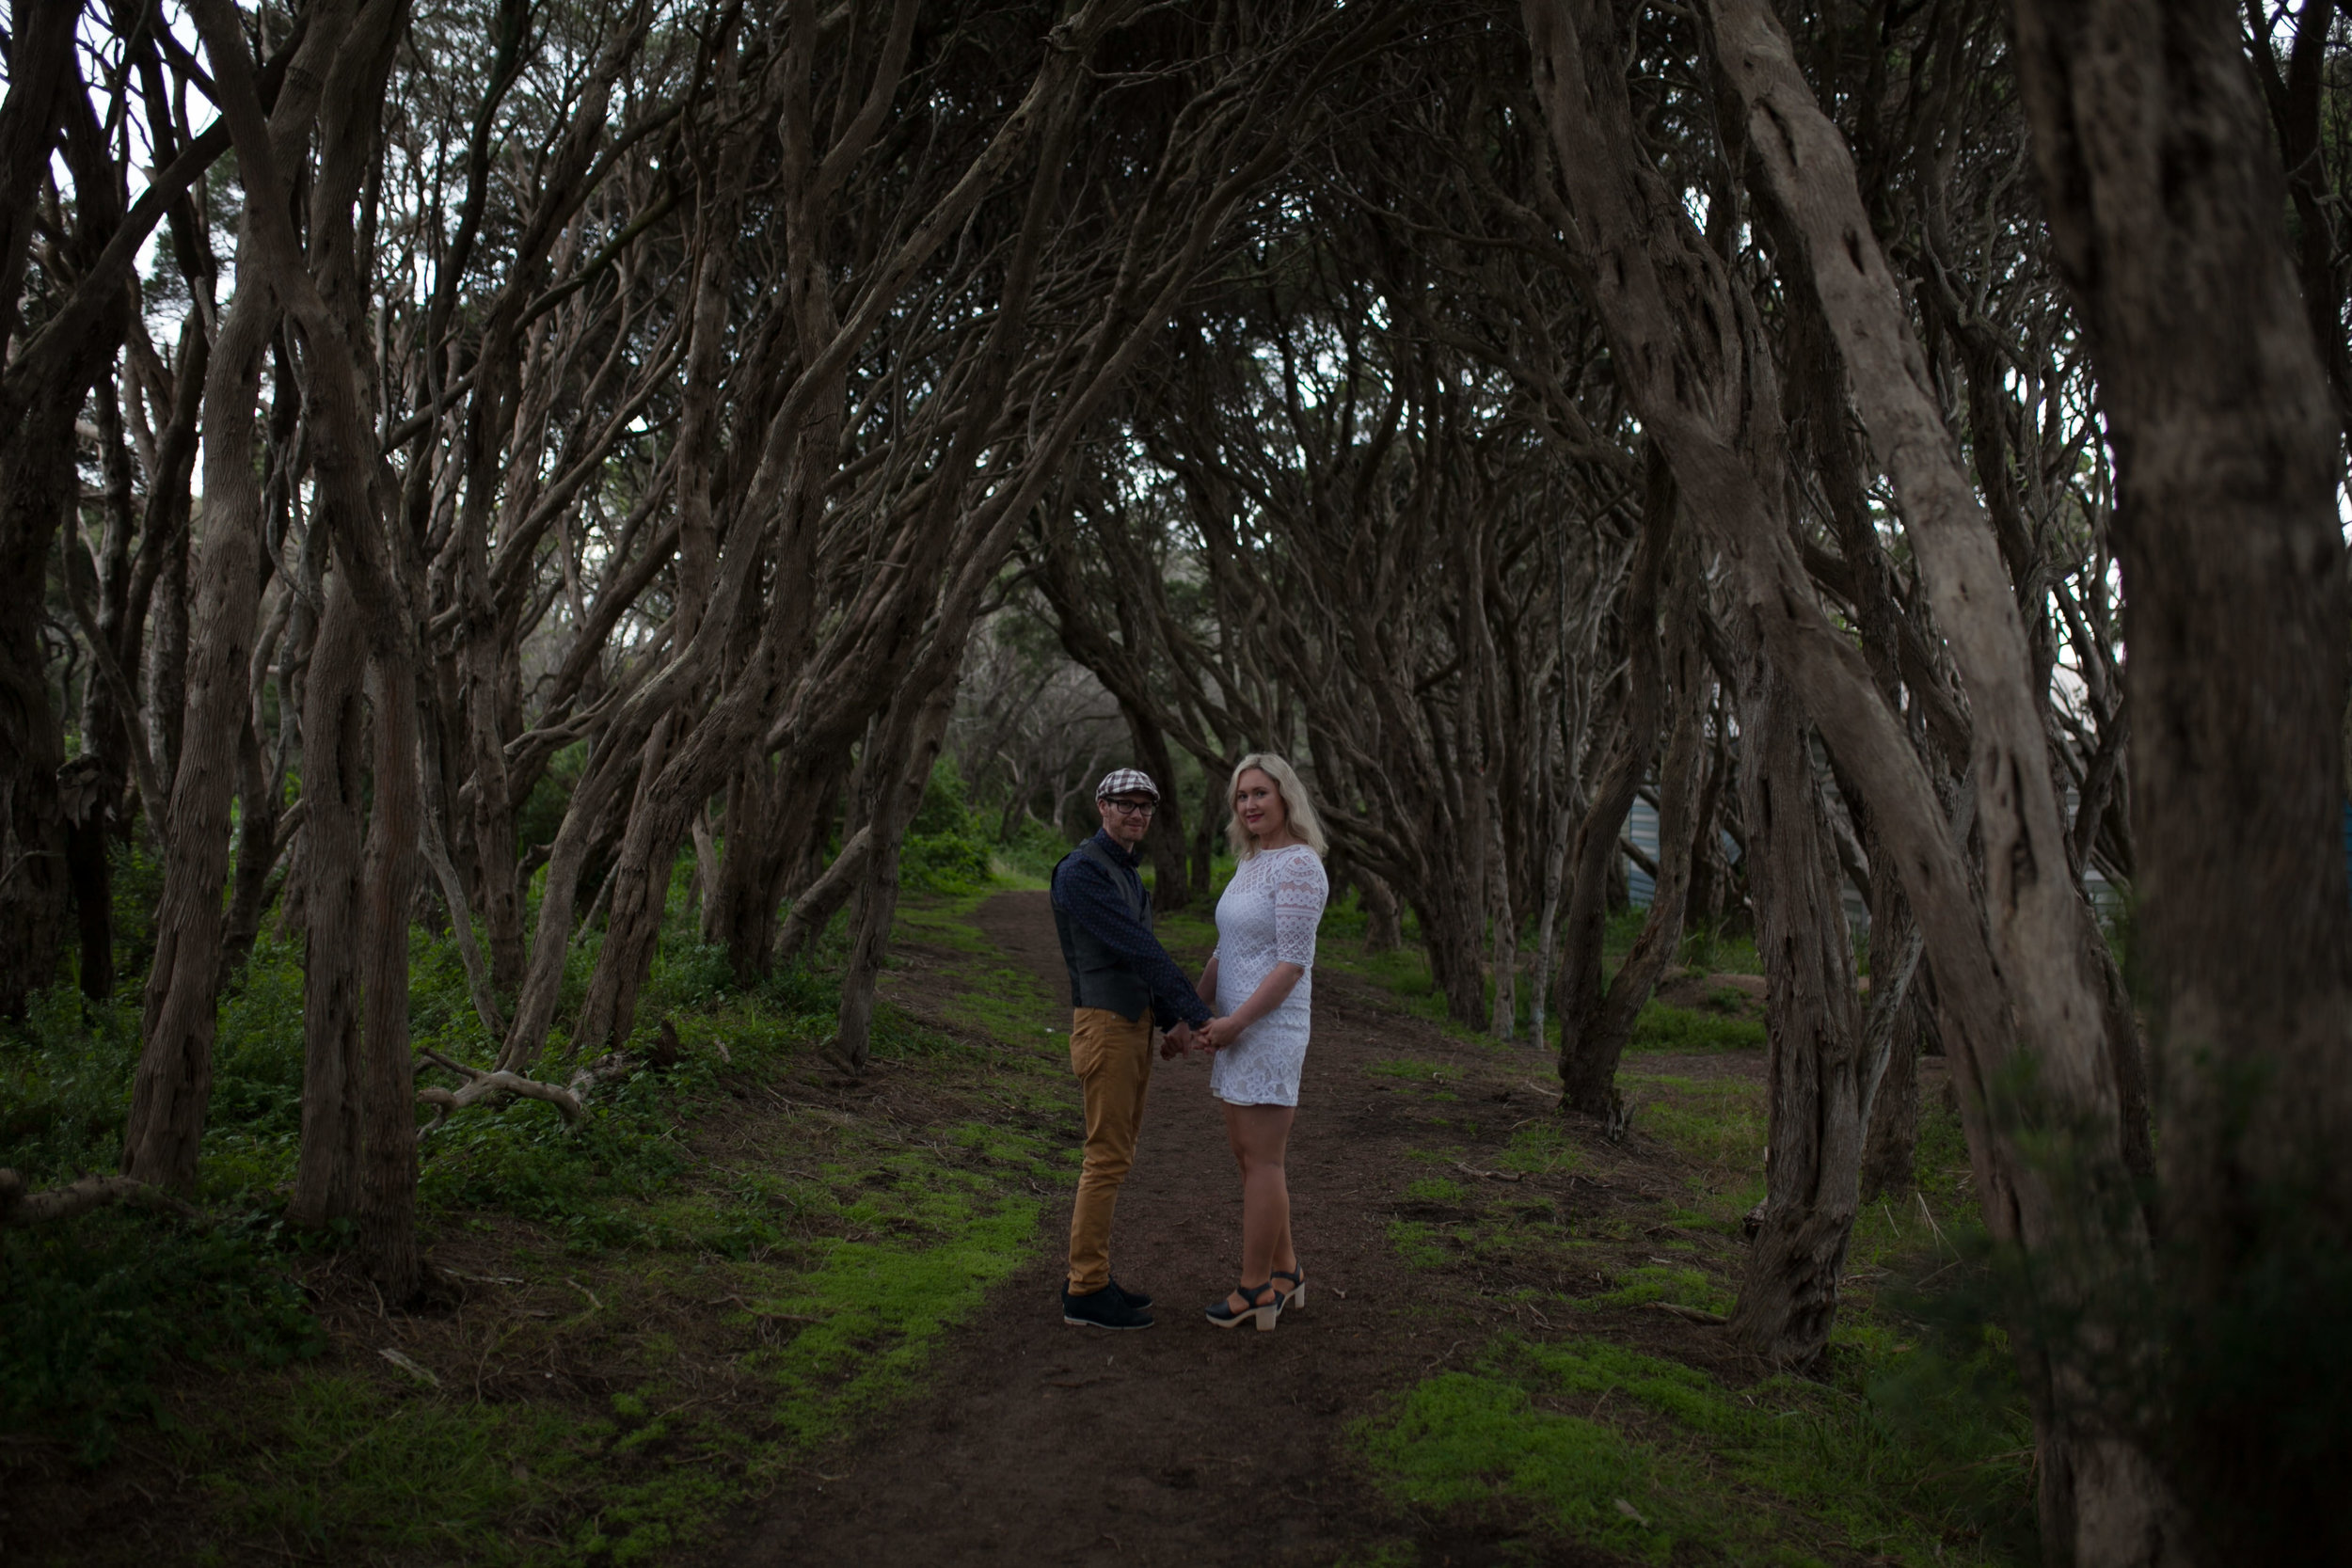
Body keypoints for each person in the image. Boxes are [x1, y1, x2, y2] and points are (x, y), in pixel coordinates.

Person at [1049, 768, 1213, 1331]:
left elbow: (1137, 956)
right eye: (1126, 803)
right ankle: (1085, 1290)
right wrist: (1197, 1015)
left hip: (1132, 1025)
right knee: (1106, 1157)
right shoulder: (1081, 871)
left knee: (1117, 1155)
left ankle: (1091, 1274)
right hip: (1105, 1026)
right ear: (1102, 805)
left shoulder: (1126, 873)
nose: (1137, 813)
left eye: (1146, 806)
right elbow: (1138, 947)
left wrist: (1170, 1020)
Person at [1195, 753, 1329, 1332]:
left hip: (1269, 1030)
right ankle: (1286, 1270)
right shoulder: (1251, 861)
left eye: (1259, 793)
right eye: (1241, 796)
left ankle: (1254, 1289)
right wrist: (1192, 1011)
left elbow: (1292, 965)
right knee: (1249, 1158)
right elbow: (1224, 950)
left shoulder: (1298, 865)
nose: (1249, 804)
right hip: (1237, 1029)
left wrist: (1236, 1023)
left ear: (1285, 797)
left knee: (1264, 1161)